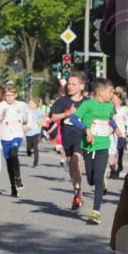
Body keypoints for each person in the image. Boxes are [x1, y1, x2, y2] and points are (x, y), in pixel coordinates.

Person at [67, 79, 118, 225]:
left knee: (99, 176)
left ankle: (96, 211)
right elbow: (73, 118)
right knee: (91, 179)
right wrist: (86, 129)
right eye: (111, 92)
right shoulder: (88, 104)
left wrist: (116, 127)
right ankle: (95, 182)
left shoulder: (109, 105)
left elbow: (109, 119)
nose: (112, 95)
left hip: (103, 145)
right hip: (88, 146)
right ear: (101, 93)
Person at [49, 71, 88, 211]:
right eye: (69, 84)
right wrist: (67, 113)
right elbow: (53, 117)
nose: (70, 86)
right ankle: (77, 191)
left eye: (74, 84)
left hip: (81, 137)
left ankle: (77, 193)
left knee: (76, 163)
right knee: (72, 167)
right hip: (67, 138)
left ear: (81, 86)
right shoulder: (63, 101)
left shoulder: (87, 102)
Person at [0, 85, 31, 197]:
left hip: (17, 134)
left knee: (14, 153)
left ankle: (18, 178)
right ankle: (13, 186)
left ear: (15, 95)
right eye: (7, 95)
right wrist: (0, 116)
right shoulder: (1, 106)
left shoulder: (21, 105)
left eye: (11, 95)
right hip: (5, 135)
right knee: (9, 162)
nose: (9, 98)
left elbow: (30, 114)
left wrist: (28, 125)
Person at [25, 96, 46, 168]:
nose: (29, 105)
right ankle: (28, 150)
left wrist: (42, 122)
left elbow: (44, 118)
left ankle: (35, 163)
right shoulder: (27, 111)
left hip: (36, 131)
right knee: (29, 146)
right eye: (29, 104)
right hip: (28, 131)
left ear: (35, 105)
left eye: (30, 104)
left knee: (35, 146)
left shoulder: (39, 112)